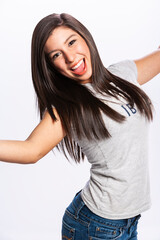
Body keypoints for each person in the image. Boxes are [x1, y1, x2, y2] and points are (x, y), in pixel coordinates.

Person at [0, 13, 160, 240]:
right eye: (56, 54)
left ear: (85, 37)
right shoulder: (67, 107)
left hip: (128, 221)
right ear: (50, 65)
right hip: (96, 225)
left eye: (72, 42)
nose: (70, 57)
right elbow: (31, 150)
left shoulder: (122, 74)